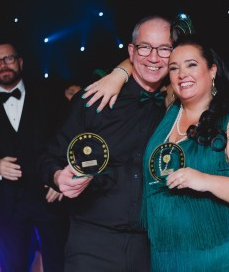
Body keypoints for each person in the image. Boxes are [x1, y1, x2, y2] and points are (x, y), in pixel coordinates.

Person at [39, 15, 173, 271]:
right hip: (92, 243)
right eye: (145, 47)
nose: (154, 58)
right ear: (132, 51)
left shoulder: (175, 107)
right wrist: (58, 177)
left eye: (164, 49)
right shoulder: (95, 98)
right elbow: (49, 157)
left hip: (151, 247)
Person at [143, 35, 229, 270]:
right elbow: (138, 60)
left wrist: (203, 180)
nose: (182, 74)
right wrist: (116, 76)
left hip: (226, 257)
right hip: (172, 256)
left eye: (191, 64)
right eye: (174, 68)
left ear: (212, 70)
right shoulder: (166, 118)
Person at [0, 41, 66, 272]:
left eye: (8, 59)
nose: (3, 65)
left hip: (49, 198)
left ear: (20, 62)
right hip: (5, 204)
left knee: (59, 265)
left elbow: (67, 137)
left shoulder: (50, 95)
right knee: (12, 267)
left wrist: (61, 175)